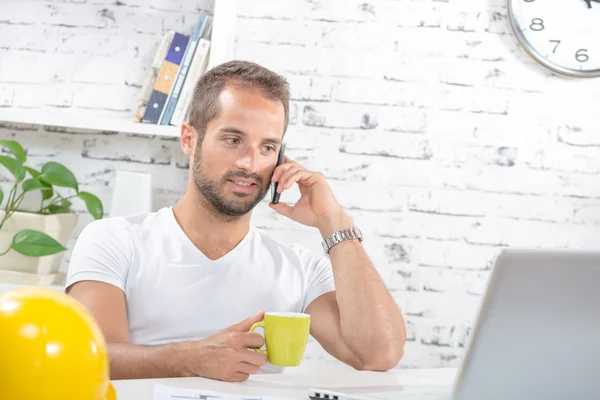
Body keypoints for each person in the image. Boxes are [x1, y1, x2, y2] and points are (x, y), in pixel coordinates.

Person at [66, 60, 406, 382]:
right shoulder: (114, 240)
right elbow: (91, 357)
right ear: (189, 139)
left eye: (268, 147)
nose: (249, 163)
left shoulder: (299, 270)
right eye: (233, 140)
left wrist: (334, 221)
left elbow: (378, 355)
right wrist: (191, 360)